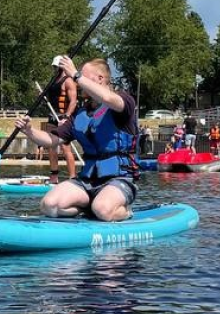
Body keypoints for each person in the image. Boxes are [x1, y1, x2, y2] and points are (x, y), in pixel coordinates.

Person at [15, 56, 139, 222]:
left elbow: (108, 99)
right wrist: (29, 131)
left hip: (119, 179)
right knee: (49, 205)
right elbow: (52, 139)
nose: (78, 82)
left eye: (83, 76)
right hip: (87, 180)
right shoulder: (79, 114)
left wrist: (75, 74)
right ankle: (87, 208)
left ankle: (124, 211)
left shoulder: (123, 101)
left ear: (100, 79)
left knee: (102, 209)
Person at [47, 69, 78, 183]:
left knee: (65, 148)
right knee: (51, 146)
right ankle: (54, 176)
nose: (55, 69)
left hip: (63, 117)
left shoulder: (68, 81)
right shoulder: (53, 80)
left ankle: (72, 177)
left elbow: (73, 101)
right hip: (52, 116)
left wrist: (66, 117)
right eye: (54, 66)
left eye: (57, 66)